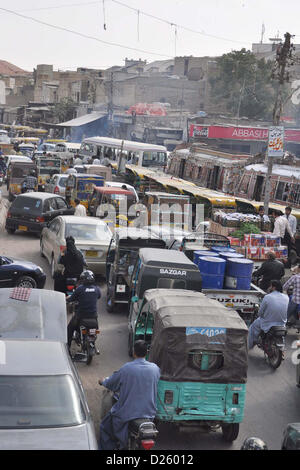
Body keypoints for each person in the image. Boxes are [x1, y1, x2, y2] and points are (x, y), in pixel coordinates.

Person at [98, 340, 160, 450]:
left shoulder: (127, 368)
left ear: (134, 352)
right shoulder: (155, 369)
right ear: (147, 352)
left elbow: (112, 383)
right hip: (149, 414)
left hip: (127, 413)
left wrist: (103, 381)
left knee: (104, 427)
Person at [248, 280, 288, 349]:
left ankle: (249, 346)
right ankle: (282, 349)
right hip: (282, 323)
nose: (269, 288)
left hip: (268, 323)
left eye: (270, 286)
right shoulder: (286, 297)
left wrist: (261, 314)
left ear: (273, 287)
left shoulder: (267, 297)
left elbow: (260, 313)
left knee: (253, 327)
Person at [66, 270, 100, 347]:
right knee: (95, 329)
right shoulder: (97, 289)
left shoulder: (80, 289)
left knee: (70, 328)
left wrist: (66, 299)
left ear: (82, 279)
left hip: (81, 315)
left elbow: (71, 299)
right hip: (93, 316)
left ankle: (67, 346)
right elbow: (99, 296)